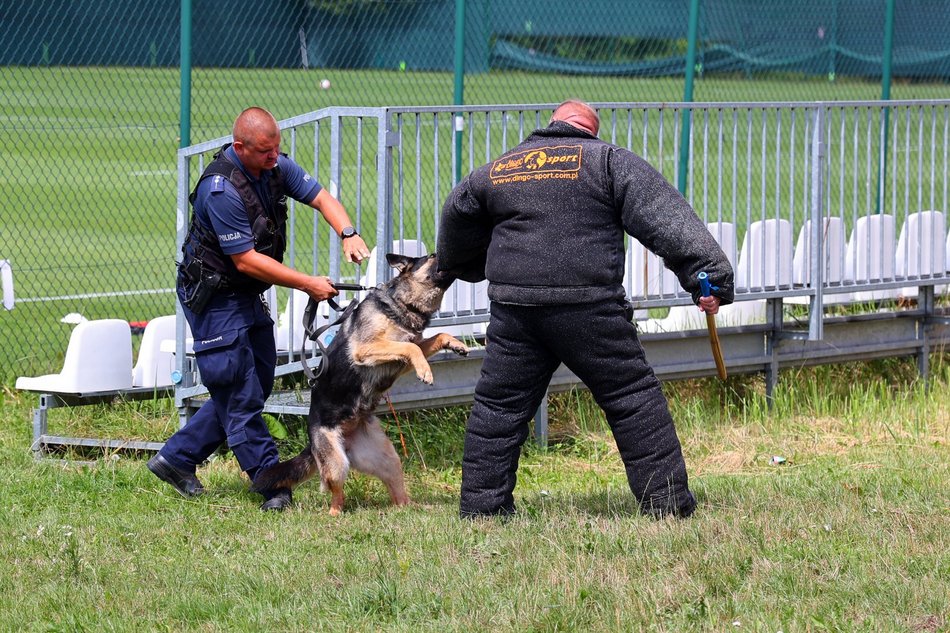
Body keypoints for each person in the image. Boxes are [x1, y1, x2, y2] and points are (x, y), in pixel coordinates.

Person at [437, 100, 734, 519]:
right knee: (631, 397)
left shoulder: (499, 169)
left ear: (554, 124)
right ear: (588, 131)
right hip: (589, 307)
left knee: (498, 407)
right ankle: (666, 505)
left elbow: (456, 211)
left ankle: (483, 509)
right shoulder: (607, 161)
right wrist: (709, 276)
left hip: (515, 307)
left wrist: (464, 265)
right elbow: (666, 219)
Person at [148, 106, 371, 511]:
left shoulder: (274, 167)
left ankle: (176, 459)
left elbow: (320, 197)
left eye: (277, 150)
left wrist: (348, 232)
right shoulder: (220, 190)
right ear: (240, 147)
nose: (275, 158)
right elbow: (246, 259)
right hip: (215, 298)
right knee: (239, 393)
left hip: (246, 295)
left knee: (257, 380)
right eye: (266, 152)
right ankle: (273, 484)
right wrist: (308, 283)